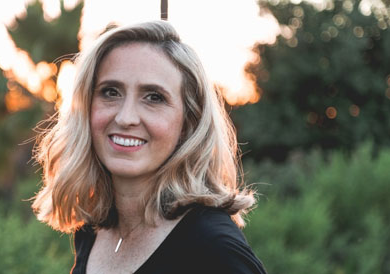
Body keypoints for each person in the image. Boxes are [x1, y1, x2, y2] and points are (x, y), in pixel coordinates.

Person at [31, 20, 267, 274]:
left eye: (154, 97)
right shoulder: (93, 230)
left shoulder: (214, 249)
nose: (125, 117)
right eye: (110, 92)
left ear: (188, 123)